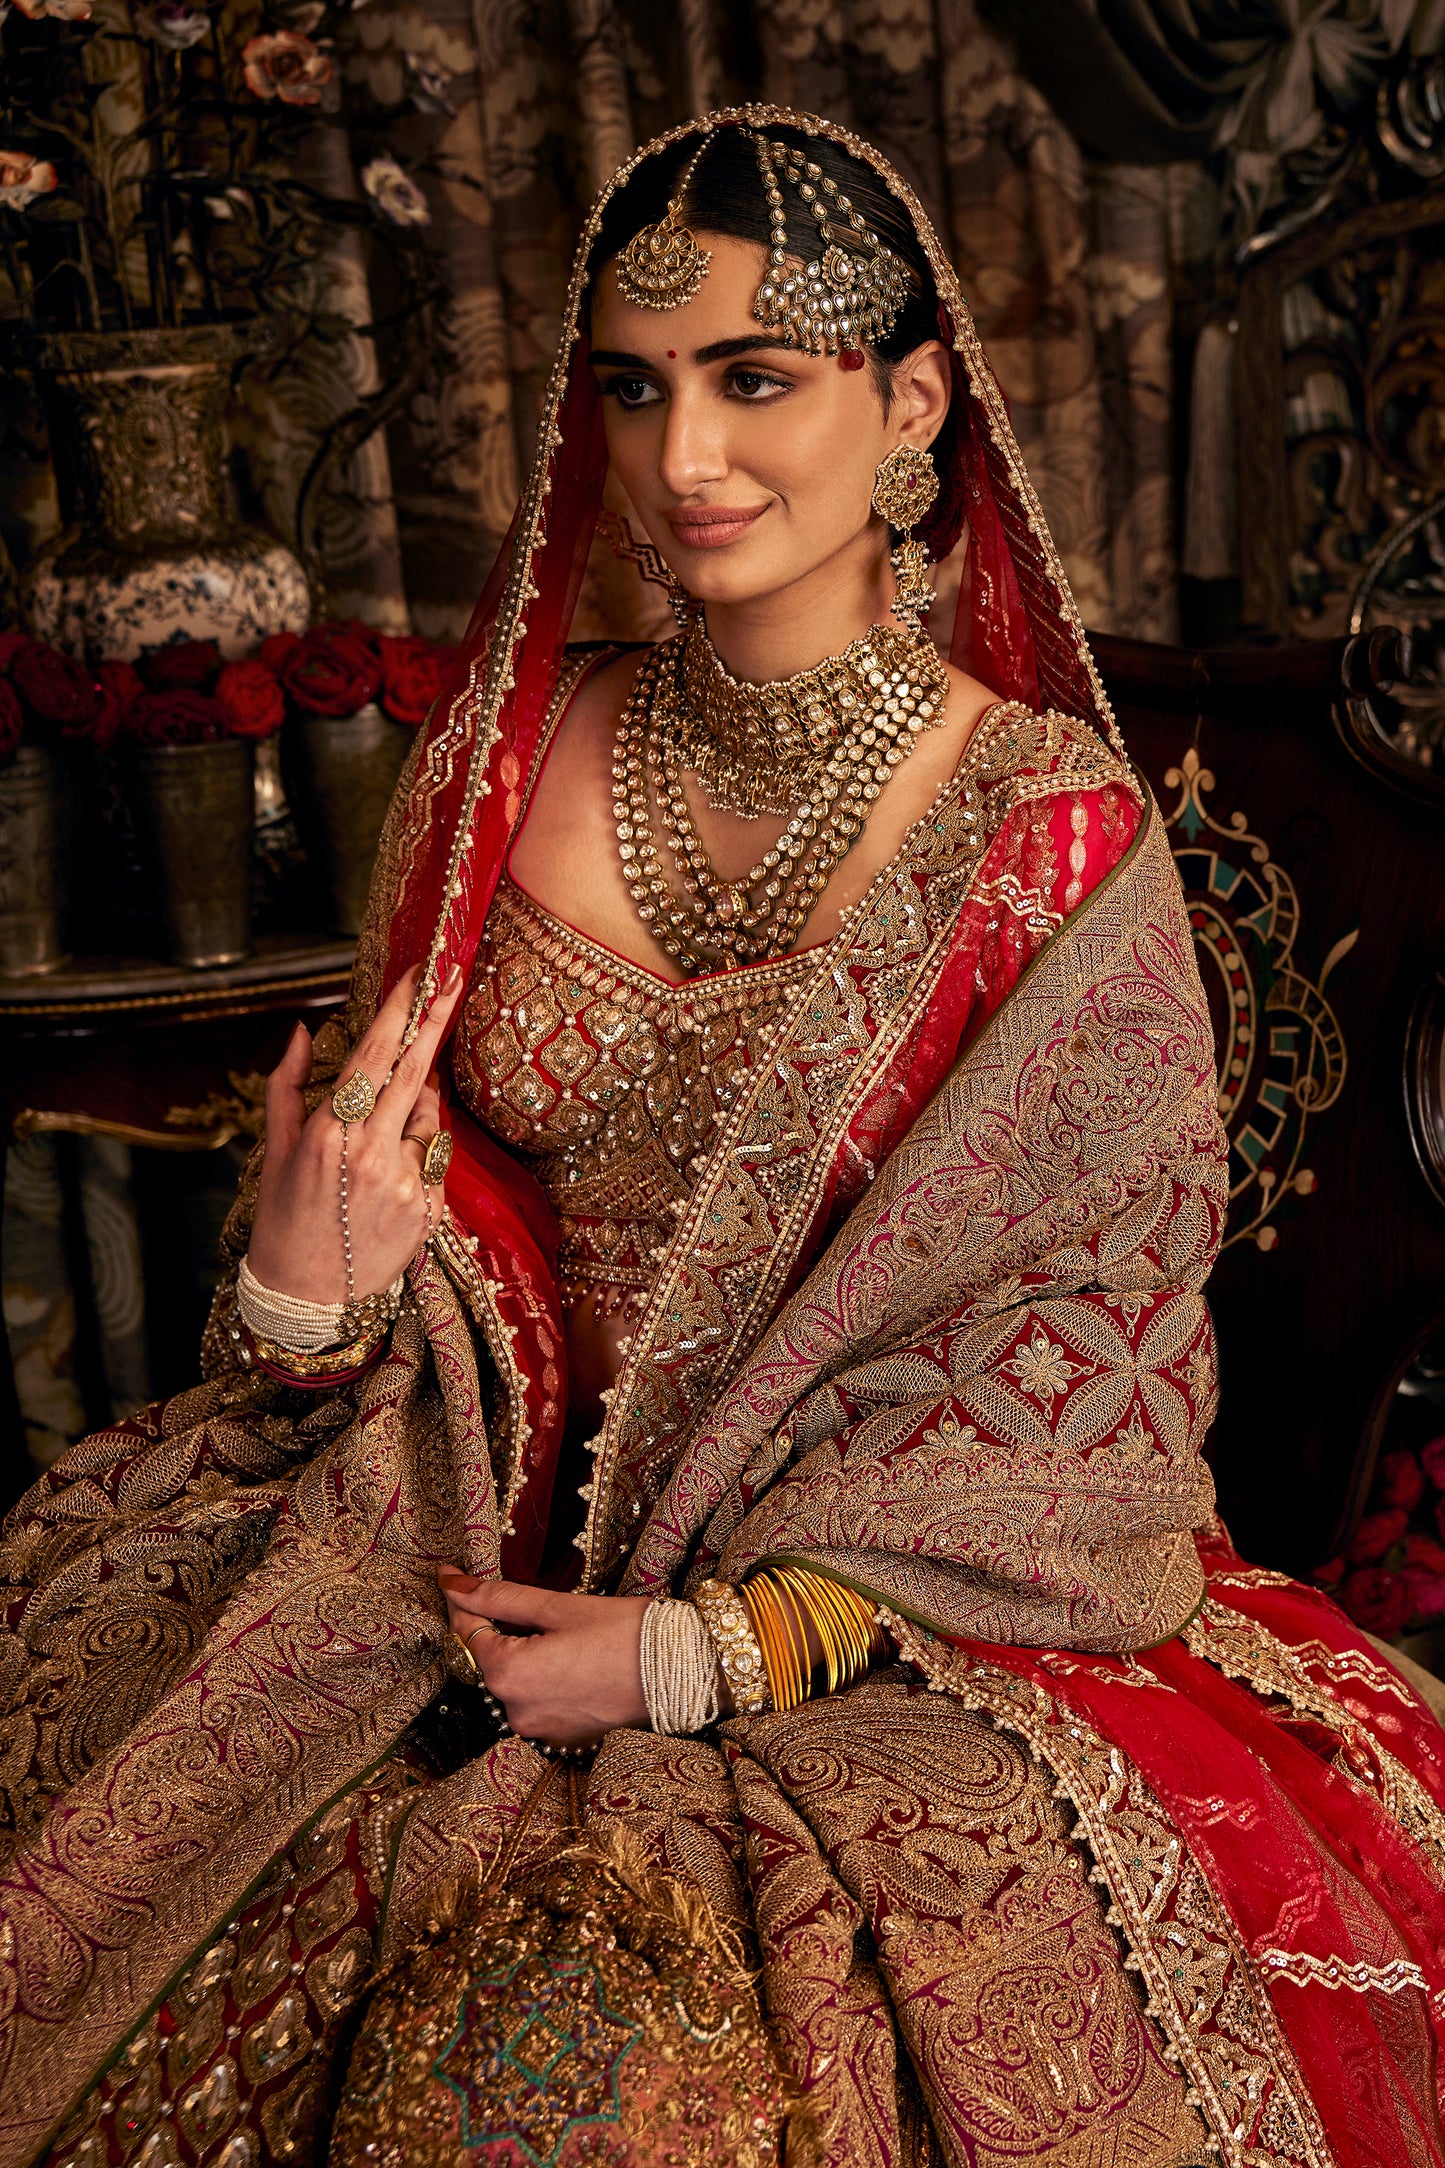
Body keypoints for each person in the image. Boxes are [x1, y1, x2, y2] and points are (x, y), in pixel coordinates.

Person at [2, 108, 1443, 2168]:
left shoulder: (1047, 846)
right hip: (457, 1573)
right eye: (636, 387)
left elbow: (1080, 1394)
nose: (686, 458)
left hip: (884, 1637)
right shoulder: (497, 769)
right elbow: (390, 1273)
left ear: (914, 396)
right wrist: (302, 1287)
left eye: (759, 377)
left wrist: (699, 1651)